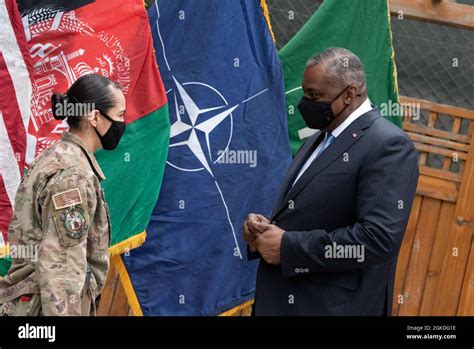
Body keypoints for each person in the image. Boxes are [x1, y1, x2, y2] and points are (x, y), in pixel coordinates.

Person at [243, 48, 419, 316]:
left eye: (314, 96)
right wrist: (266, 229)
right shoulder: (319, 137)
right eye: (304, 93)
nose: (305, 103)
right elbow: (313, 213)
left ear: (349, 94)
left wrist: (288, 247)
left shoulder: (388, 144)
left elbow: (377, 240)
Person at [0, 74, 126, 316]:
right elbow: (61, 266)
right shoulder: (73, 175)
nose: (122, 123)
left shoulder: (57, 156)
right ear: (95, 117)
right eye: (119, 114)